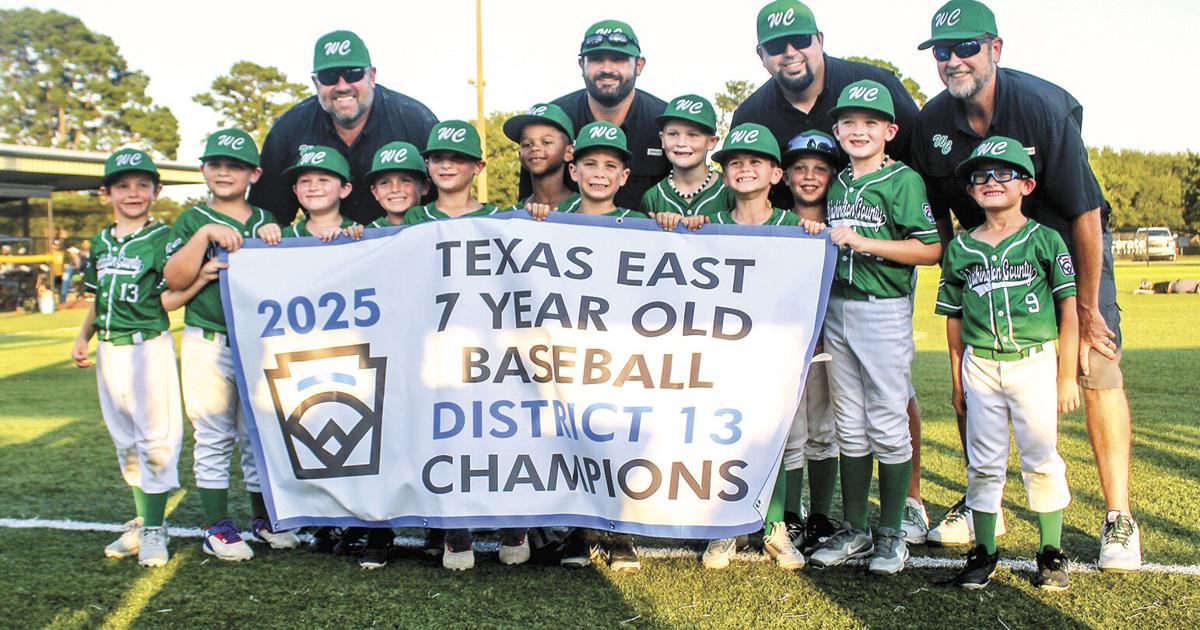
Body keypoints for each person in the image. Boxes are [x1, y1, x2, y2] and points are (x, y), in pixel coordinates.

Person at [910, 0, 1141, 571]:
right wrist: (958, 277)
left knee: (1095, 362)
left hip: (1065, 237)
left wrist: (1086, 308)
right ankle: (980, 499)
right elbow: (940, 214)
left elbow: (1087, 212)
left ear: (995, 48)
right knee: (973, 369)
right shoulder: (932, 122)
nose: (954, 60)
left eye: (967, 47)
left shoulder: (1039, 108)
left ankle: (1119, 516)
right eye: (943, 51)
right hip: (986, 244)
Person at [806, 81, 941, 576]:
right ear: (836, 130)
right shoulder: (839, 182)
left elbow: (929, 249)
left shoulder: (902, 180)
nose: (858, 130)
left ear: (890, 130)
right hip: (838, 308)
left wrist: (866, 243)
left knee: (887, 420)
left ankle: (891, 533)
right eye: (848, 122)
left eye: (870, 122)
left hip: (882, 309)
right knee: (849, 424)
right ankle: (857, 528)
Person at [937, 137, 1078, 590]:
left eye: (1004, 173)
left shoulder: (1045, 239)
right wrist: (957, 377)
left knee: (1040, 458)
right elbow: (954, 318)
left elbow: (1069, 310)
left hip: (1034, 360)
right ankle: (984, 552)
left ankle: (1051, 551)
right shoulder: (960, 248)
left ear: (1027, 184)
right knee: (983, 462)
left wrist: (1066, 374)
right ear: (971, 190)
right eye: (980, 175)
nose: (991, 181)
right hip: (980, 364)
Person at [671, 123, 807, 572]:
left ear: (775, 174)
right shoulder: (710, 227)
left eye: (756, 162)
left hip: (776, 350)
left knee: (778, 435)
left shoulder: (795, 226)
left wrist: (815, 236)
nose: (744, 169)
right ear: (725, 174)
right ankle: (725, 526)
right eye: (735, 163)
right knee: (724, 434)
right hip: (723, 351)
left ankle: (774, 527)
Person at [162, 129, 300, 561]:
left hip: (260, 342)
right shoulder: (191, 219)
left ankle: (263, 519)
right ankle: (217, 526)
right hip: (210, 335)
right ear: (203, 169)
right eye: (216, 164)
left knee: (258, 435)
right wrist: (204, 235)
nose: (224, 172)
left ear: (254, 174)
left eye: (235, 165)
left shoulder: (265, 220)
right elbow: (174, 279)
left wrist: (279, 240)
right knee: (214, 433)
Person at [71, 148, 183, 568]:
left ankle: (155, 528)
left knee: (155, 438)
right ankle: (143, 520)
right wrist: (83, 337)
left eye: (142, 185)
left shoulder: (164, 237)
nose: (133, 193)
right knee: (126, 440)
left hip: (147, 346)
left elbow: (172, 294)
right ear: (106, 192)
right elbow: (98, 297)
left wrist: (201, 278)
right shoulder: (101, 240)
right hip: (109, 349)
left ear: (156, 190)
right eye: (123, 185)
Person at [732, 0, 919, 210]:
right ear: (761, 54)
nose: (790, 52)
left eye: (800, 39)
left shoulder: (878, 86)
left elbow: (924, 171)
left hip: (881, 234)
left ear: (820, 40)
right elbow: (737, 196)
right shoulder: (749, 116)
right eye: (776, 46)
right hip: (793, 236)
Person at [249, 30, 438, 226]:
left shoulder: (414, 121)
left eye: (352, 74)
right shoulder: (289, 130)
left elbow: (447, 204)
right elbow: (268, 216)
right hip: (326, 250)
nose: (342, 86)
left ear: (371, 76)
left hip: (408, 248)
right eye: (329, 76)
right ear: (316, 82)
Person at [525, 20, 668, 210]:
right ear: (581, 64)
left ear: (639, 65)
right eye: (596, 59)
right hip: (569, 239)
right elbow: (528, 203)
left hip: (649, 238)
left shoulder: (665, 122)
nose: (607, 68)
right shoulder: (552, 120)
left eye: (618, 59)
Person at [781, 129, 843, 556]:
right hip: (782, 340)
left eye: (819, 168)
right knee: (788, 430)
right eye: (800, 168)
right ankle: (788, 514)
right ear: (784, 175)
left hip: (830, 335)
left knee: (824, 429)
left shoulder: (846, 220)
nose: (808, 176)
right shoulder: (776, 222)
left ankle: (820, 514)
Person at [639, 94, 734, 218]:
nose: (681, 143)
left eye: (693, 135)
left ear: (712, 142)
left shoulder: (729, 191)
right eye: (673, 134)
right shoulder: (652, 198)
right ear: (662, 139)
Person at [503, 103, 579, 212]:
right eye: (526, 144)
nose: (535, 148)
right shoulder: (511, 216)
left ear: (568, 153)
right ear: (520, 156)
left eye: (546, 142)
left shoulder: (584, 209)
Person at [365, 141, 430, 229]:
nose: (395, 189)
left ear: (424, 186)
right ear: (375, 192)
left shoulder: (439, 223)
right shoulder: (367, 234)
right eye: (384, 183)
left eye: (405, 181)